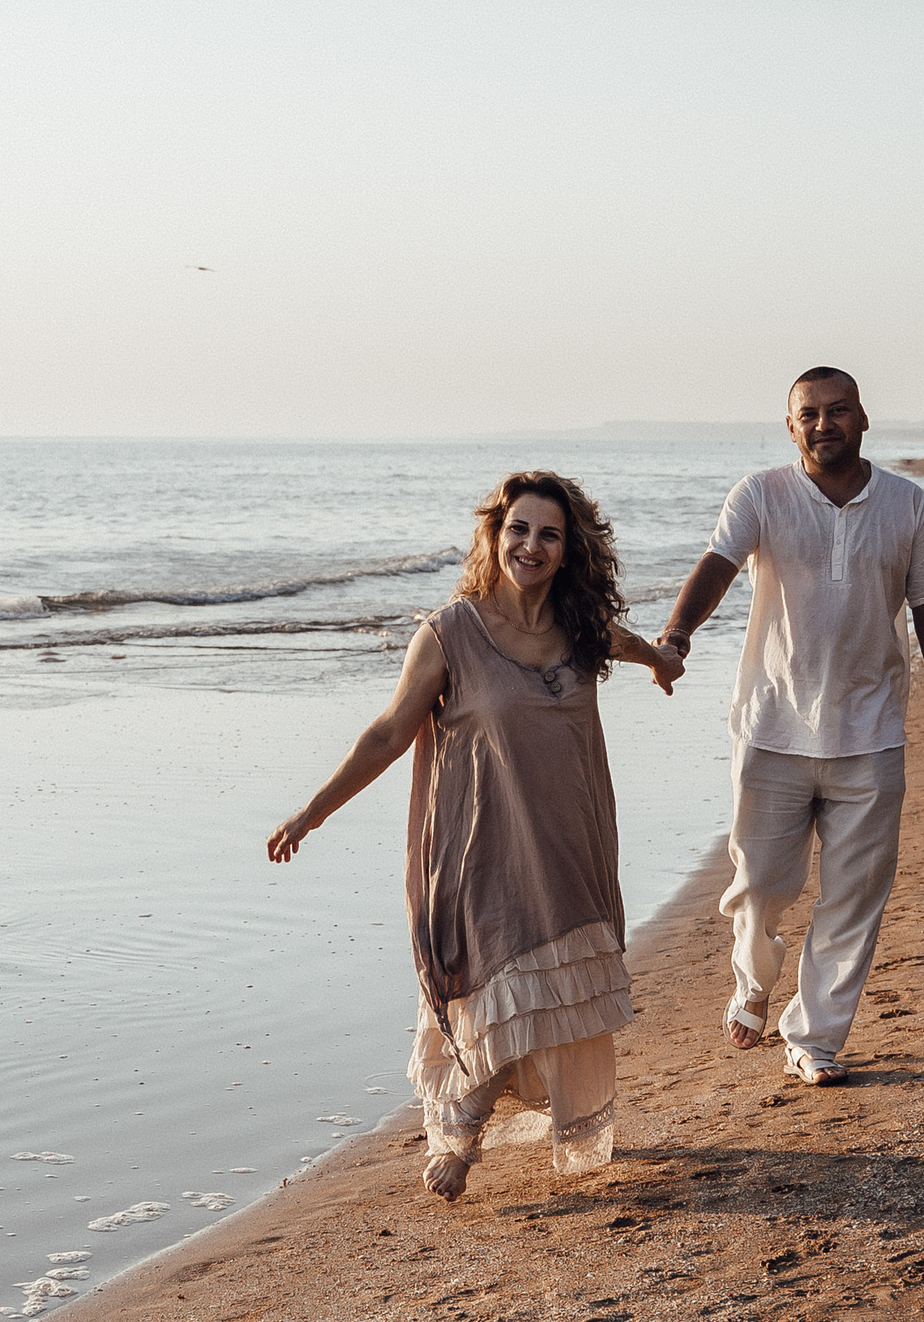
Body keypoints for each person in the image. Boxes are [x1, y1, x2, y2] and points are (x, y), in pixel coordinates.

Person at [268, 471, 682, 1200]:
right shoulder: (449, 633)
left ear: (568, 549)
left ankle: (513, 1126)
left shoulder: (580, 628)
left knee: (554, 990)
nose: (531, 545)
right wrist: (313, 812)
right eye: (517, 529)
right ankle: (459, 1135)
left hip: (570, 839)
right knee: (489, 981)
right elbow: (391, 732)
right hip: (484, 844)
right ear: (494, 535)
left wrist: (660, 661)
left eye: (548, 534)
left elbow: (623, 642)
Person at [653, 369, 924, 1086]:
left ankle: (814, 1037)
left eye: (838, 411)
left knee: (855, 896)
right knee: (761, 882)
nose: (824, 424)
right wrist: (677, 634)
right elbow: (719, 563)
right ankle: (754, 981)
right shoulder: (762, 495)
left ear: (863, 418)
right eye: (810, 414)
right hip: (773, 727)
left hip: (871, 732)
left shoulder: (905, 505)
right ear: (790, 426)